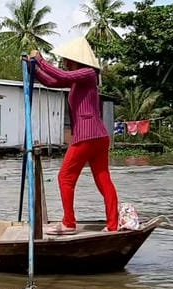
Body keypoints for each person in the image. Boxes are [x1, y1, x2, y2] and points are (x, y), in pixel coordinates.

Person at [27, 37, 118, 235]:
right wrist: (33, 70)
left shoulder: (88, 73)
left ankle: (69, 223)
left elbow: (60, 75)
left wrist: (40, 60)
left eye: (69, 60)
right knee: (103, 179)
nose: (66, 63)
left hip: (88, 135)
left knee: (65, 177)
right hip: (97, 136)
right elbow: (53, 80)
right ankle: (113, 225)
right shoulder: (78, 80)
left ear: (77, 59)